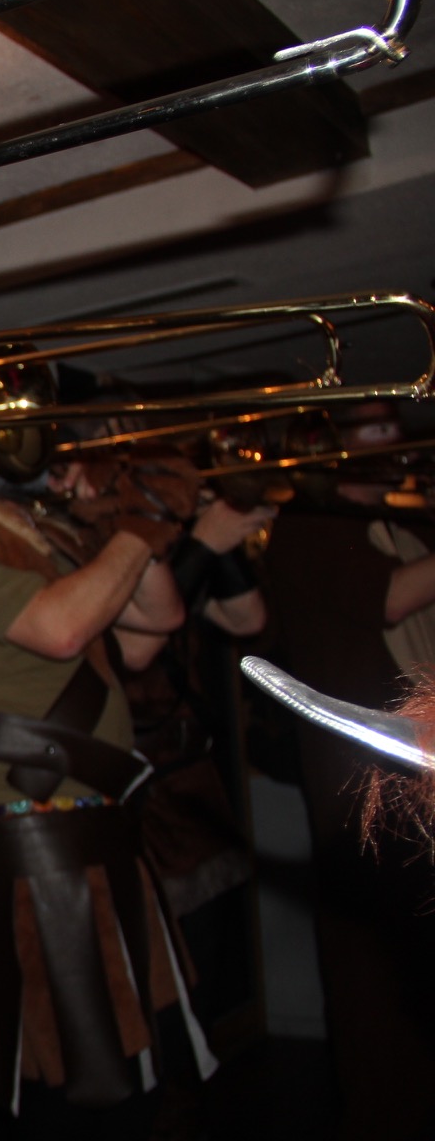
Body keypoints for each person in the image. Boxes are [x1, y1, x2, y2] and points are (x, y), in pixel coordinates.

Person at [0, 446, 217, 1139]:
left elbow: (154, 625)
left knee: (132, 1075)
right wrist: (138, 527)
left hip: (90, 835)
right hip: (31, 841)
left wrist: (128, 522)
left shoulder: (36, 530)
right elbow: (61, 630)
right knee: (80, 1090)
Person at [259, 400, 435, 1141]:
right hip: (361, 782)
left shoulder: (401, 521)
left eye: (395, 428)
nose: (393, 442)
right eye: (373, 429)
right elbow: (389, 599)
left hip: (419, 772)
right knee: (376, 973)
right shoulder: (307, 528)